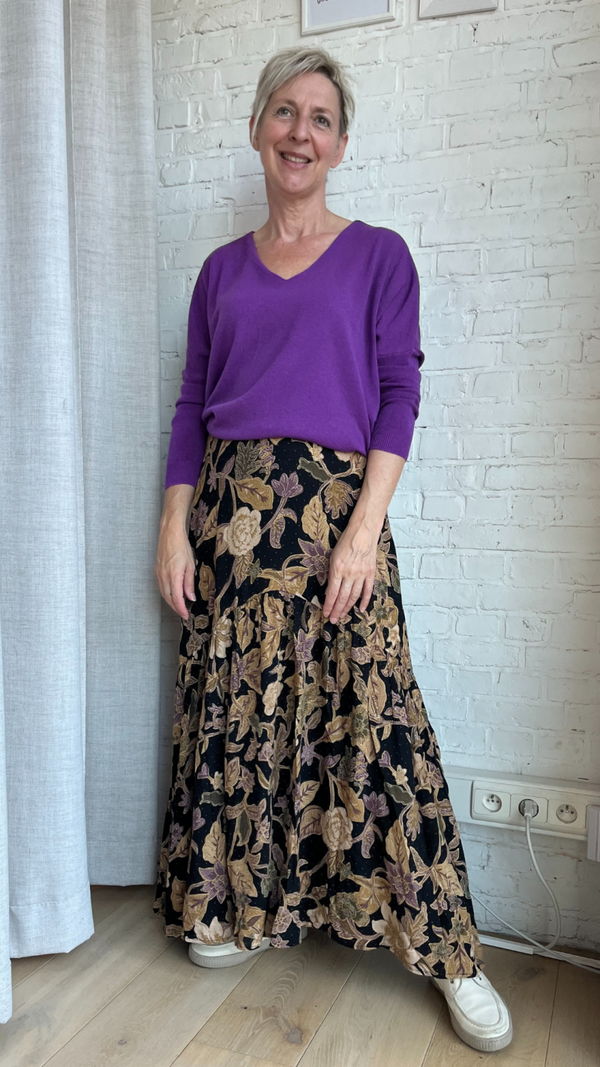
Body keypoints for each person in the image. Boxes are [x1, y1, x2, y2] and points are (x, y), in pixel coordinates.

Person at [152, 45, 513, 1054]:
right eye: (284, 111)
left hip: (334, 522)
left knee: (378, 723)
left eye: (320, 118)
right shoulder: (219, 272)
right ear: (257, 129)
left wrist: (362, 531)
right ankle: (239, 901)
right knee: (240, 717)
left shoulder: (379, 256)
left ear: (341, 143)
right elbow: (192, 406)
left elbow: (399, 394)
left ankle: (449, 952)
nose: (299, 132)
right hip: (231, 520)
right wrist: (173, 524)